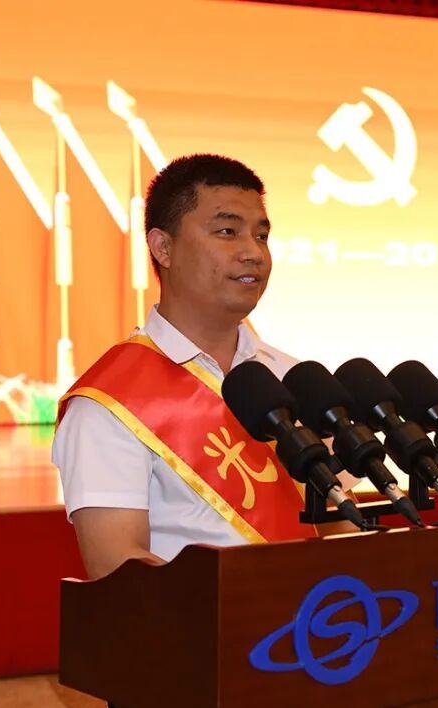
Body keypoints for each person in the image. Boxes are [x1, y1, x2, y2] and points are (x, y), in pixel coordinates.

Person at [53, 154, 342, 580]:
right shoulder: (108, 404)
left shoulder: (292, 380)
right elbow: (118, 572)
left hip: (316, 616)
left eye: (261, 236)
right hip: (202, 622)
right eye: (227, 232)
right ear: (163, 248)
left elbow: (337, 528)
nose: (253, 252)